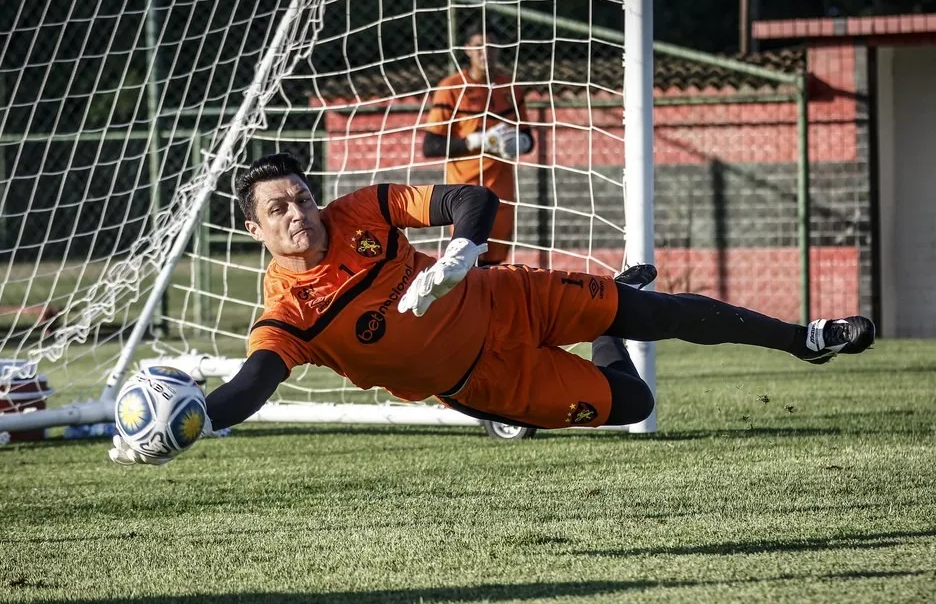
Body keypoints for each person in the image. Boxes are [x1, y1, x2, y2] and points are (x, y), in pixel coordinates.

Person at [109, 152, 875, 465]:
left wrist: (461, 252)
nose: (298, 212)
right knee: (633, 399)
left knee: (663, 312)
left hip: (505, 294)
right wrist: (202, 417)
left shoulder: (362, 210)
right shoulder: (286, 313)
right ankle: (612, 313)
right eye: (278, 209)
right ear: (255, 229)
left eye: (301, 196)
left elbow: (471, 196)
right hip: (483, 380)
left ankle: (804, 337)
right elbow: (255, 381)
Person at [421, 24, 534, 265]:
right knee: (466, 264)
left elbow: (528, 138)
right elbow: (431, 145)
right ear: (467, 50)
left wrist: (518, 143)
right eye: (478, 46)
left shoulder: (511, 88)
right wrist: (477, 141)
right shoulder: (451, 87)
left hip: (503, 194)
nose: (486, 52)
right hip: (465, 195)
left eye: (491, 46)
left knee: (496, 267)